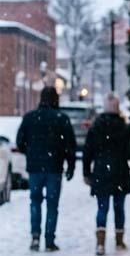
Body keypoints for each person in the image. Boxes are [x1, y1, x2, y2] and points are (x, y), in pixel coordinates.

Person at [16, 86, 76, 252]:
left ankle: (35, 236)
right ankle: (49, 240)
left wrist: (31, 152)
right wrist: (70, 165)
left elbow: (20, 142)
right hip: (54, 168)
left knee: (35, 201)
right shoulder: (61, 119)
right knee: (52, 204)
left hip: (35, 168)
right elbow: (70, 146)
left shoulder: (30, 118)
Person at [83, 93, 130, 256]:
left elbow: (87, 153)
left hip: (101, 173)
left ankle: (100, 243)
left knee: (102, 208)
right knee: (119, 208)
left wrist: (86, 173)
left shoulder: (96, 128)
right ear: (118, 109)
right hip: (120, 173)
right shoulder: (125, 128)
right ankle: (119, 241)